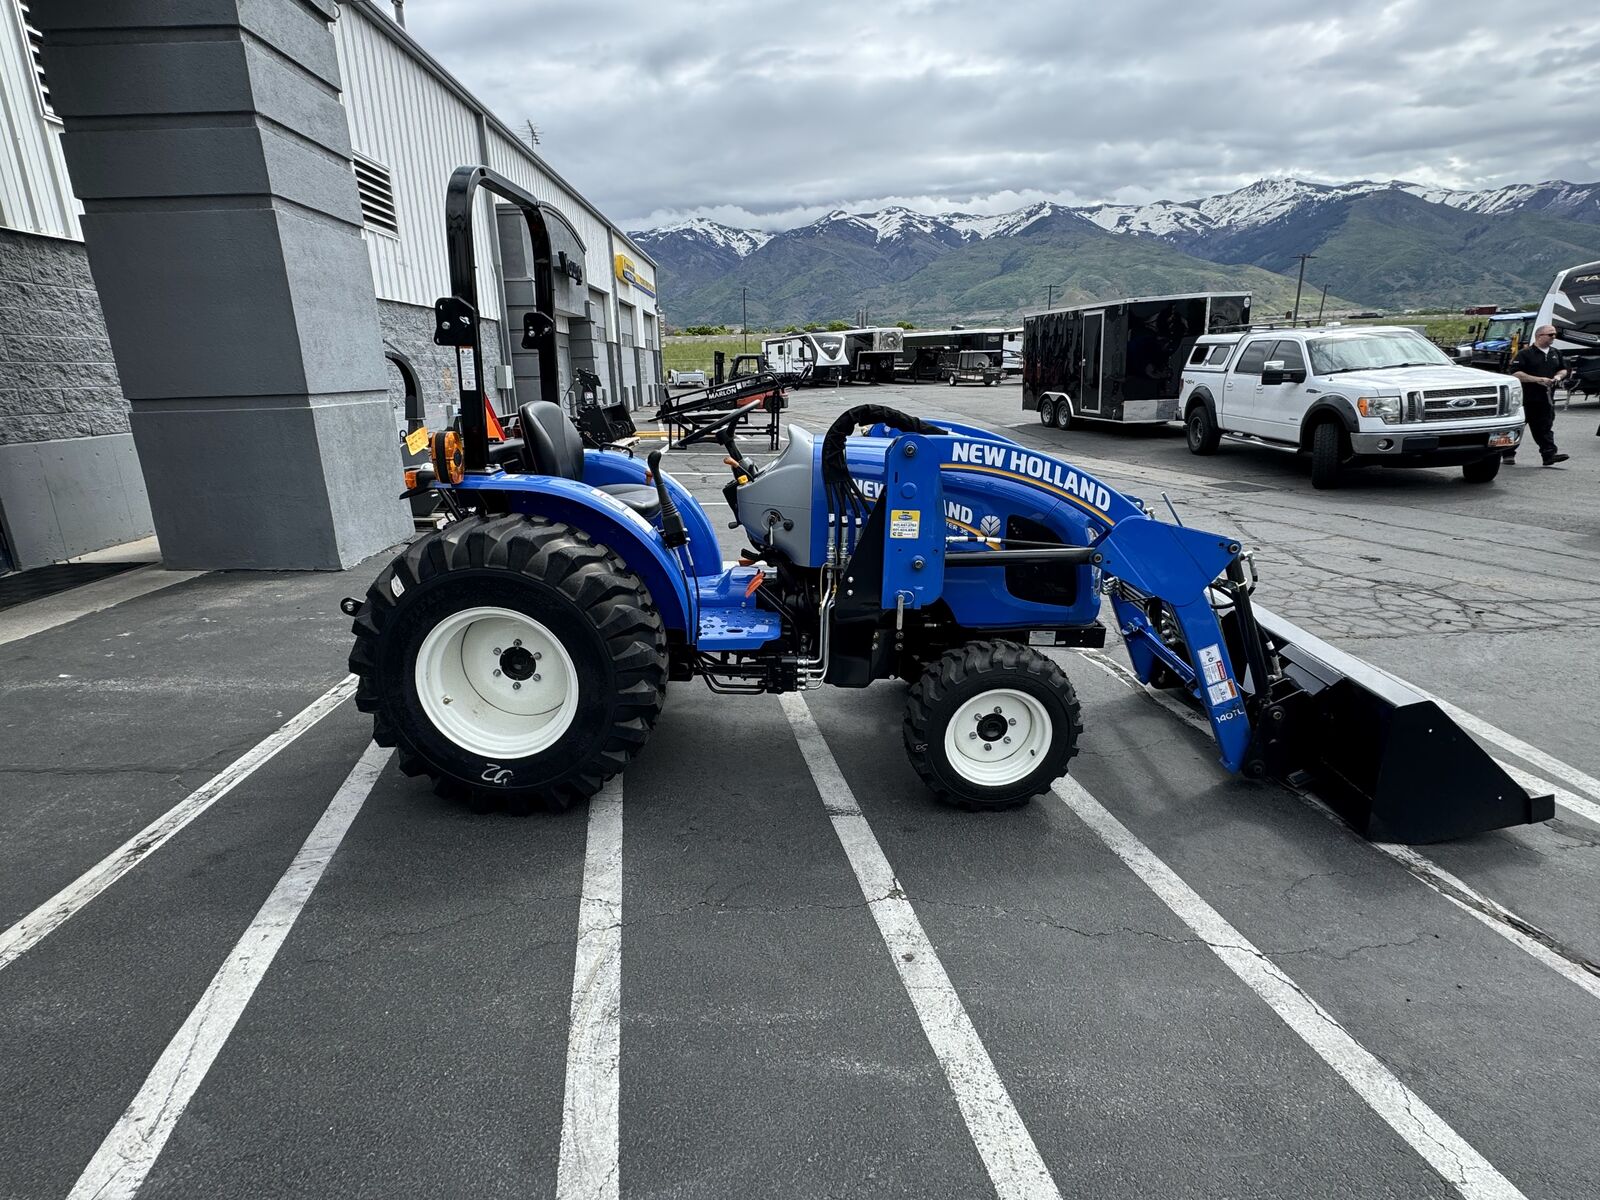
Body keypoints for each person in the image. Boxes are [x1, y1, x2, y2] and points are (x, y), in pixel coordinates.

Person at [1506, 325, 1569, 465]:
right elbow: (1516, 373)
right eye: (1550, 334)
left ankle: (1549, 455)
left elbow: (1563, 369)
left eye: (1554, 334)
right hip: (1526, 398)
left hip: (1545, 398)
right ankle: (1508, 453)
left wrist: (1558, 377)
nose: (1553, 337)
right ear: (1539, 336)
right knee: (1518, 426)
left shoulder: (1555, 353)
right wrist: (1539, 380)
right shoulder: (1525, 354)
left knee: (1545, 426)